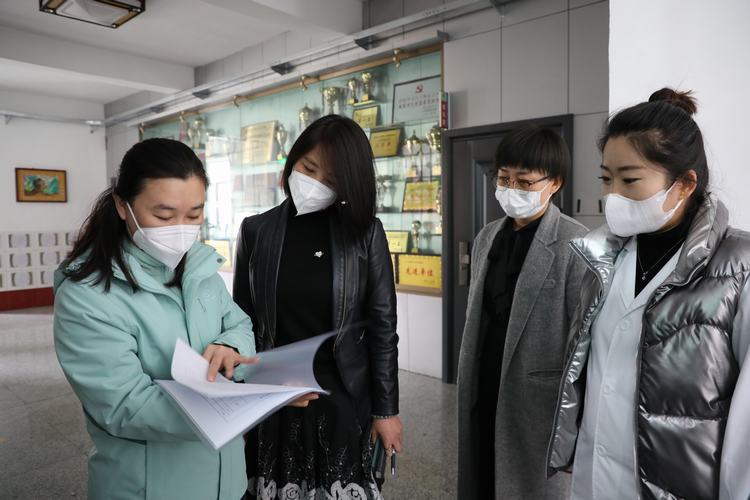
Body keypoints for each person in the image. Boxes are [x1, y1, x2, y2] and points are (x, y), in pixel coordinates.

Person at [547, 88, 750, 500]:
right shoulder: (603, 258)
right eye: (606, 179)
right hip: (595, 478)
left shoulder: (738, 267)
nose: (613, 195)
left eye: (630, 180)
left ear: (685, 184)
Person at [54, 138, 257, 500]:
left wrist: (228, 345)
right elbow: (125, 405)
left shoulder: (200, 269)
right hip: (152, 488)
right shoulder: (88, 294)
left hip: (228, 481)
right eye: (163, 216)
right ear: (123, 206)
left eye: (194, 215)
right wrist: (239, 406)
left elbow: (239, 324)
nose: (180, 229)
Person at [233, 115, 402, 500]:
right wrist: (251, 390)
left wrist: (386, 411)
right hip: (274, 395)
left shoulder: (365, 233)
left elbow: (382, 329)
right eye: (308, 169)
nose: (314, 184)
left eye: (331, 179)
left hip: (342, 396)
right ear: (292, 160)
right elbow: (241, 322)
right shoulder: (256, 231)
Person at [456, 125, 588, 499]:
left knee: (527, 487)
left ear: (555, 183)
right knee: (481, 475)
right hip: (484, 378)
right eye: (504, 179)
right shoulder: (487, 236)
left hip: (536, 399)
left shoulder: (576, 243)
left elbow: (584, 343)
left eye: (525, 182)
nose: (512, 189)